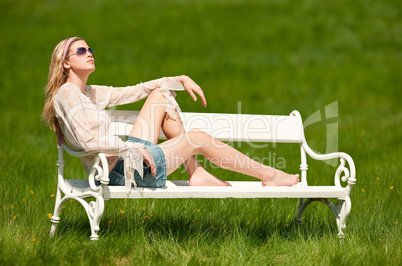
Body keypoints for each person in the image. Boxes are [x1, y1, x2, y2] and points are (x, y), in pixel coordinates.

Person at [42, 37, 299, 188]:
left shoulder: (89, 92)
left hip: (127, 161)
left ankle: (195, 173)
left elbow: (136, 90)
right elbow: (87, 141)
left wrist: (179, 78)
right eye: (82, 51)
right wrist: (132, 149)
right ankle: (269, 175)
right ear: (66, 63)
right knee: (196, 137)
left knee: (160, 95)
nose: (90, 54)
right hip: (118, 173)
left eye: (90, 50)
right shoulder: (66, 95)